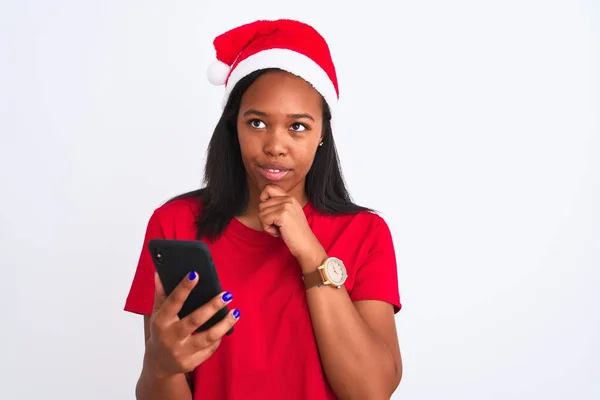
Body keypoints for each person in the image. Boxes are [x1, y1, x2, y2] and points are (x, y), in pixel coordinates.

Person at [124, 18, 403, 400]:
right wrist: (160, 365)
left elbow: (371, 392)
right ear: (233, 126)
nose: (275, 145)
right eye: (256, 122)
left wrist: (311, 253)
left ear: (323, 133)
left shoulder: (365, 233)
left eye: (298, 127)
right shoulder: (175, 224)